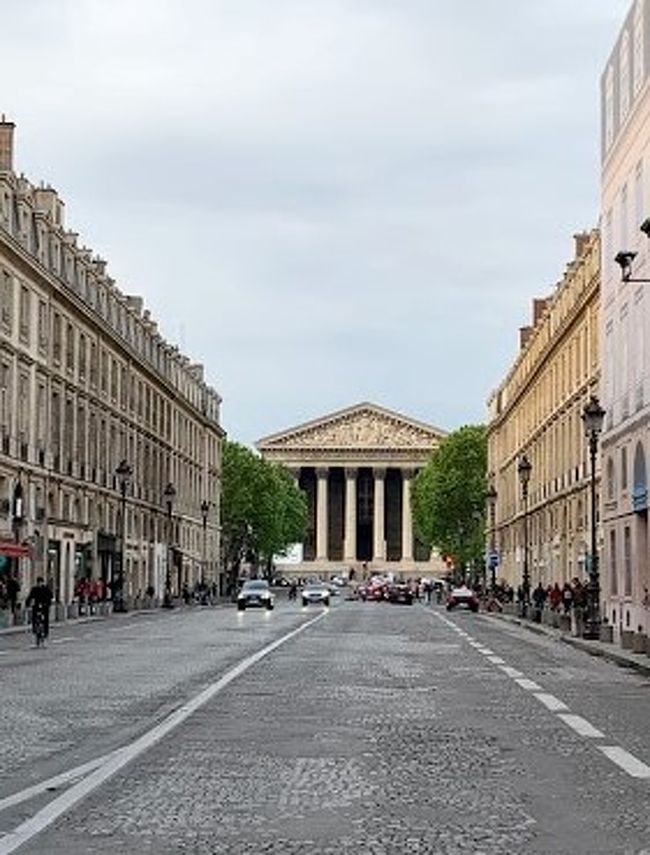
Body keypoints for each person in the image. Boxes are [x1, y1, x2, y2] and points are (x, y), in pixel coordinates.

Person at [25, 576, 53, 643]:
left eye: (40, 582)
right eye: (38, 582)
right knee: (34, 618)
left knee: (45, 619)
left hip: (44, 606)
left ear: (43, 582)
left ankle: (46, 631)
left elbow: (50, 596)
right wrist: (27, 603)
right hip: (36, 606)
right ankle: (35, 629)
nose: (39, 584)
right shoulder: (34, 589)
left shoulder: (46, 589)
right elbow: (30, 596)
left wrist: (48, 604)